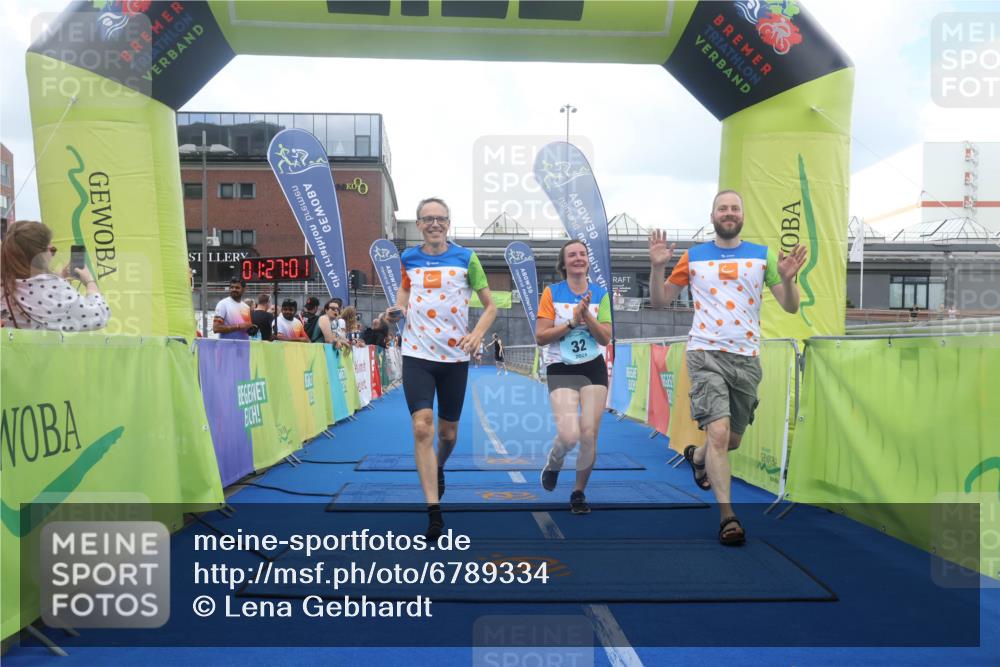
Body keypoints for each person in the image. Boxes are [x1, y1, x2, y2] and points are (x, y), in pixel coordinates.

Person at [648, 190, 806, 545]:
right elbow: (659, 301)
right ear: (713, 215)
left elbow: (790, 307)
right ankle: (728, 518)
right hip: (704, 353)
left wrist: (789, 278)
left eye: (735, 208)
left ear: (743, 216)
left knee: (730, 440)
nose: (729, 213)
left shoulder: (762, 256)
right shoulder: (694, 257)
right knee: (718, 434)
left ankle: (698, 456)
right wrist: (658, 267)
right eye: (723, 208)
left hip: (746, 358)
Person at [386, 197, 497, 541]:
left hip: (454, 358)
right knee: (422, 427)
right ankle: (434, 510)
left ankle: (440, 465)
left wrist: (477, 334)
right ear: (418, 224)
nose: (434, 224)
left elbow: (491, 306)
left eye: (441, 218)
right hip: (417, 354)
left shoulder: (467, 259)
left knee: (448, 435)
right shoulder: (408, 259)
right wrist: (395, 312)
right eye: (427, 219)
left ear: (449, 223)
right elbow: (403, 297)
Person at [536, 240, 613, 514]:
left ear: (588, 260)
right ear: (564, 263)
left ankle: (578, 492)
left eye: (582, 254)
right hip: (562, 366)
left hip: (592, 366)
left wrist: (587, 317)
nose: (578, 258)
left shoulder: (601, 294)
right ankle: (555, 461)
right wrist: (570, 322)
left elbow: (605, 337)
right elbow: (541, 337)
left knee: (589, 435)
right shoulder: (551, 293)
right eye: (572, 255)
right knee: (569, 436)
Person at [0, 220, 110, 331]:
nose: (52, 255)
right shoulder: (54, 290)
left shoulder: (4, 286)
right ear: (41, 255)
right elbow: (100, 316)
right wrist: (90, 283)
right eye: (52, 250)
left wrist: (57, 279)